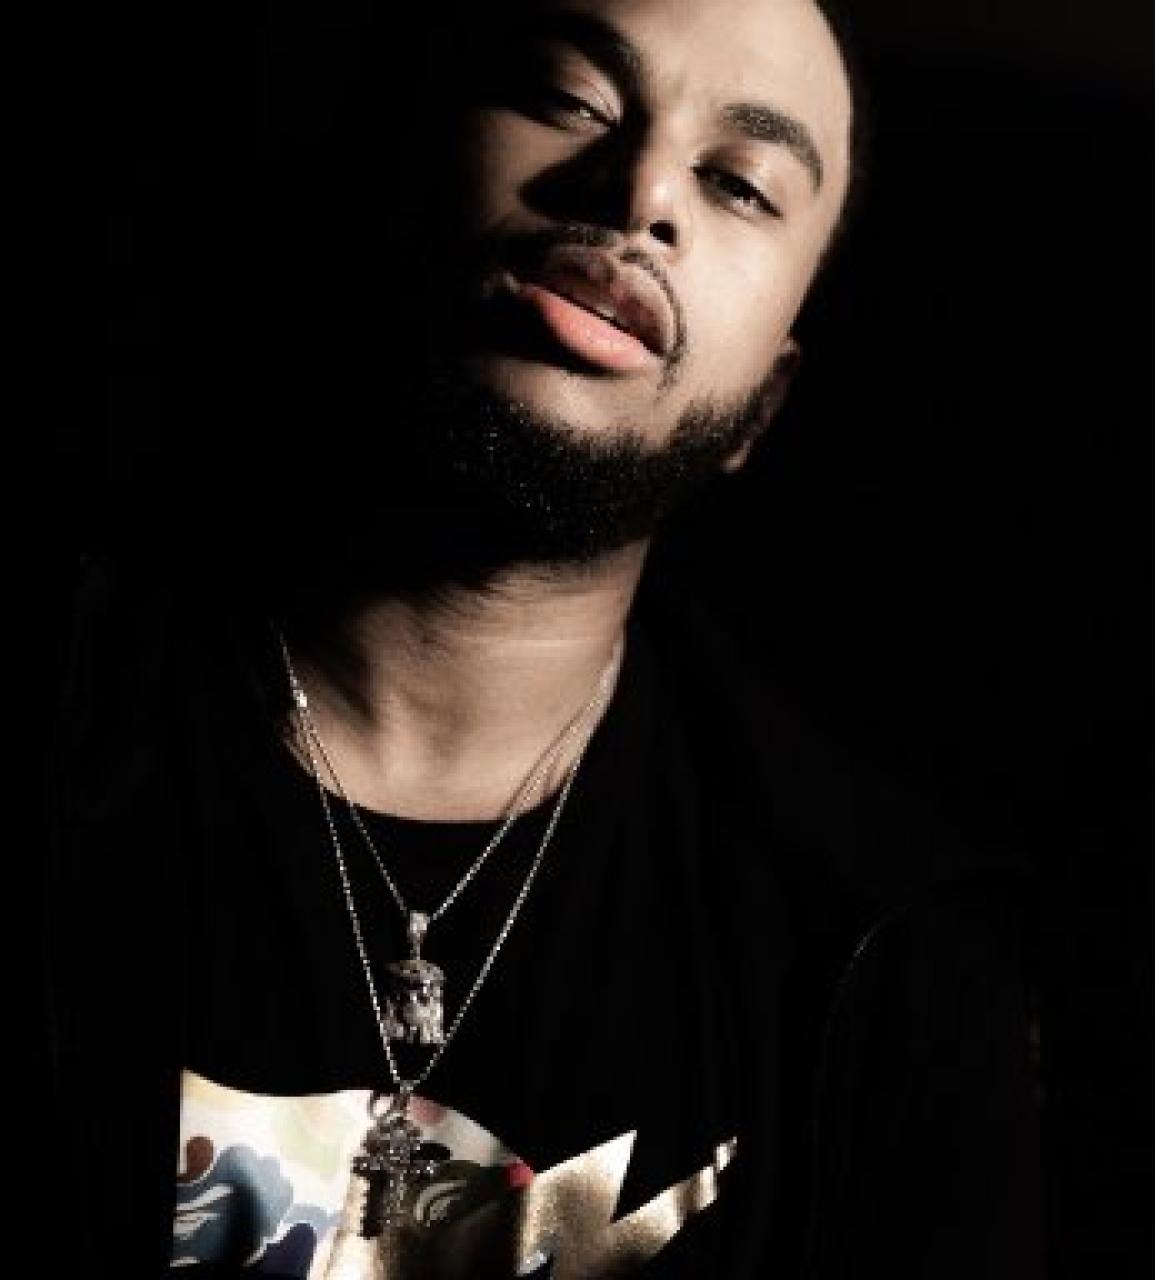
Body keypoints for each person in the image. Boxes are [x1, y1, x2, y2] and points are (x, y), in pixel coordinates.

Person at [42, 0, 1044, 1275]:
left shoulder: (885, 947)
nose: (639, 195)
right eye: (571, 100)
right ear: (391, 177)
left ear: (763, 404)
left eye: (738, 182)